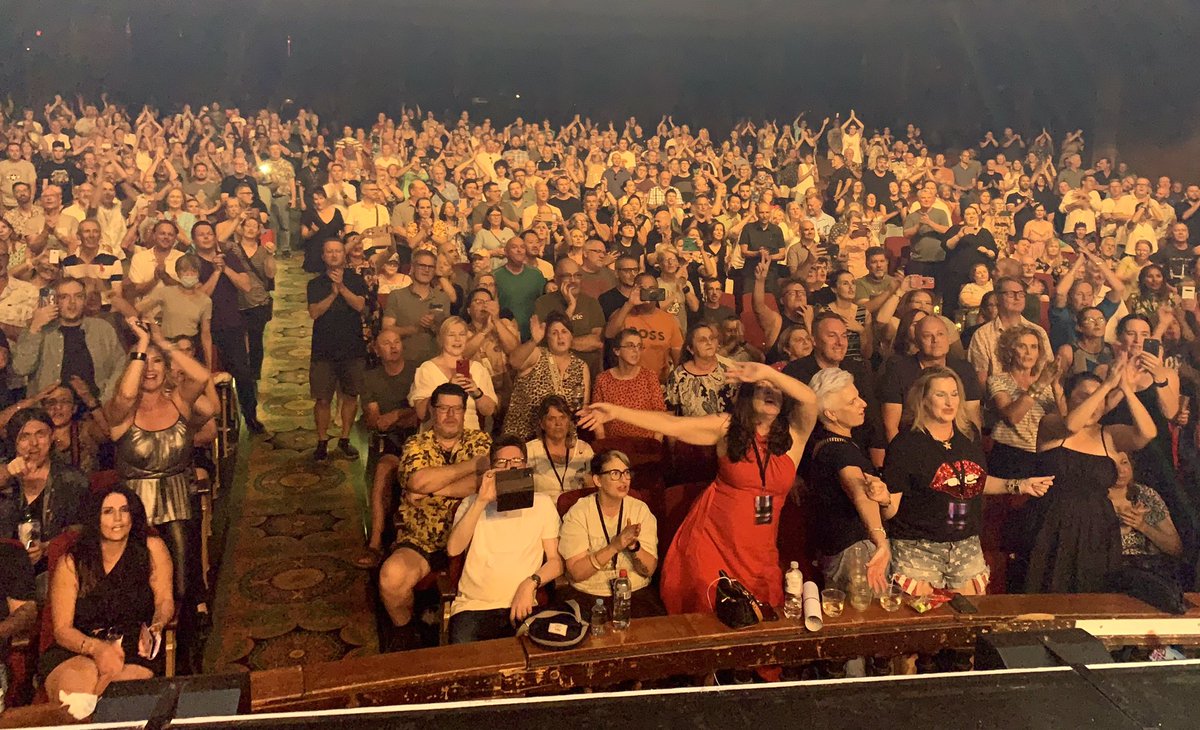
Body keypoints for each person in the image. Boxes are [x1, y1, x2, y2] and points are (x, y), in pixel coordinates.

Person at [577, 361, 818, 614]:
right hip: (714, 543)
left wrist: (767, 374)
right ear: (749, 396)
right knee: (712, 616)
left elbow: (810, 400)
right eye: (762, 389)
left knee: (761, 619)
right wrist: (616, 412)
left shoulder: (794, 436)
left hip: (761, 552)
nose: (771, 394)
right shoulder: (727, 427)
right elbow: (673, 426)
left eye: (777, 390)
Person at [881, 367, 1053, 597]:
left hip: (966, 547)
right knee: (923, 623)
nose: (949, 401)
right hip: (919, 550)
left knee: (970, 620)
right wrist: (880, 497)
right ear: (922, 399)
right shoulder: (906, 444)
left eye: (954, 394)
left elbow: (975, 481)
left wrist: (1019, 485)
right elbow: (890, 509)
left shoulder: (968, 434)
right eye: (940, 395)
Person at [106, 319, 213, 651]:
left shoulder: (180, 402)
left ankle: (185, 652)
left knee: (182, 585)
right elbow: (125, 393)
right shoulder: (121, 411)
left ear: (166, 369)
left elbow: (200, 376)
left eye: (156, 363)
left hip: (180, 501)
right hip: (135, 508)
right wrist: (141, 346)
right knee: (141, 586)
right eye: (142, 362)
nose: (149, 368)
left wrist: (163, 344)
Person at [378, 383, 491, 650]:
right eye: (443, 408)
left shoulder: (481, 441)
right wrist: (473, 466)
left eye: (457, 409)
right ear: (433, 410)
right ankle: (407, 633)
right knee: (390, 577)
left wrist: (431, 491)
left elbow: (485, 484)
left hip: (474, 539)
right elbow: (417, 480)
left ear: (465, 412)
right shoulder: (416, 443)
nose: (450, 415)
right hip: (423, 539)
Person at [1026, 365, 1156, 592]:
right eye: (1085, 396)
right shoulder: (1051, 423)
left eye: (1100, 398)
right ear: (1067, 399)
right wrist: (1106, 385)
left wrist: (1126, 388)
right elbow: (1072, 424)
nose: (1095, 402)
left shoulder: (1108, 434)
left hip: (1098, 526)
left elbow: (1147, 433)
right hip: (1053, 522)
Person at [40, 486, 174, 705]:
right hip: (79, 646)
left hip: (133, 646)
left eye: (124, 510)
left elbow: (164, 600)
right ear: (95, 518)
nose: (118, 519)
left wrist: (156, 627)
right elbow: (62, 629)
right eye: (108, 511)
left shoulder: (153, 548)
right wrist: (97, 649)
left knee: (116, 702)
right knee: (80, 702)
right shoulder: (72, 562)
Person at [445, 436, 561, 644]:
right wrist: (481, 500)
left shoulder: (542, 504)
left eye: (517, 461)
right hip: (474, 607)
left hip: (523, 604)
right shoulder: (471, 503)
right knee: (467, 667)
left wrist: (529, 584)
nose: (510, 467)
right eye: (502, 463)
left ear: (525, 465)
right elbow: (454, 549)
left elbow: (555, 562)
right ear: (492, 468)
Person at [804, 368, 892, 594]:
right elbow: (859, 492)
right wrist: (879, 539)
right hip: (855, 554)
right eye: (853, 402)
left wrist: (884, 499)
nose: (863, 403)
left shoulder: (825, 442)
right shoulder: (839, 451)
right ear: (831, 414)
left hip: (841, 551)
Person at [559, 449, 664, 617]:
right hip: (589, 593)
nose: (624, 480)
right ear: (597, 480)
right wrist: (615, 546)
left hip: (634, 591)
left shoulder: (640, 510)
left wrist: (633, 546)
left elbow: (649, 570)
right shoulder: (579, 512)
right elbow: (577, 573)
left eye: (626, 473)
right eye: (615, 473)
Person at [356, 328, 420, 569]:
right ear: (376, 349)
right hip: (391, 441)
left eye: (396, 342)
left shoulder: (417, 371)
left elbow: (420, 414)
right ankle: (375, 543)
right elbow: (375, 420)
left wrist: (396, 414)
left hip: (419, 436)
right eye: (386, 343)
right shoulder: (370, 378)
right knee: (382, 471)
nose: (393, 347)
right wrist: (400, 417)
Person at [0, 408, 88, 577]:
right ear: (14, 441)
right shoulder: (6, 474)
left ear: (52, 436)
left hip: (52, 568)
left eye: (40, 434)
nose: (33, 444)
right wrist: (8, 473)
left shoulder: (72, 478)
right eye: (24, 436)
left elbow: (80, 530)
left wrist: (47, 547)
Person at [307, 238, 369, 461]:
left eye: (338, 252)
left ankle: (344, 438)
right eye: (329, 252)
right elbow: (314, 312)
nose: (334, 255)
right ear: (323, 256)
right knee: (322, 398)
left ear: (344, 255)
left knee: (351, 395)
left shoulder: (356, 279)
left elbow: (360, 305)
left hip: (352, 347)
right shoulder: (315, 284)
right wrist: (332, 293)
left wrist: (341, 287)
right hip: (323, 349)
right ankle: (322, 440)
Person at [14, 277, 125, 401]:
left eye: (78, 296)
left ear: (84, 300)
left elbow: (120, 367)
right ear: (55, 300)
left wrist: (106, 398)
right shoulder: (39, 329)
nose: (72, 303)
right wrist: (35, 328)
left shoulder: (102, 329)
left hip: (94, 410)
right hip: (48, 411)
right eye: (64, 297)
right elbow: (21, 368)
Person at [879, 315, 982, 443]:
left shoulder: (964, 369)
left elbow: (972, 417)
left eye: (940, 334)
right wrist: (900, 454)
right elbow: (891, 425)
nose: (935, 340)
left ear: (948, 338)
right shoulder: (898, 369)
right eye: (928, 336)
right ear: (916, 341)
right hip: (913, 443)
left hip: (957, 442)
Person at [987, 325, 1066, 478]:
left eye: (1034, 347)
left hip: (1041, 455)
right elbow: (1013, 417)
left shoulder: (1047, 383)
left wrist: (1056, 386)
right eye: (1022, 346)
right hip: (1009, 456)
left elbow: (1065, 422)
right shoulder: (998, 380)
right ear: (1010, 351)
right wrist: (1040, 384)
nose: (1029, 352)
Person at [505, 312, 590, 441]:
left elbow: (583, 407)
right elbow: (514, 362)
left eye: (564, 332)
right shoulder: (537, 354)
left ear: (571, 335)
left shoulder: (581, 366)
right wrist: (534, 341)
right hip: (524, 437)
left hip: (561, 440)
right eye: (554, 333)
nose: (560, 337)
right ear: (546, 337)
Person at [409, 317, 498, 432]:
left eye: (462, 334)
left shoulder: (478, 369)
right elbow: (421, 413)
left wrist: (476, 392)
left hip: (470, 437)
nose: (457, 339)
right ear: (441, 339)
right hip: (435, 436)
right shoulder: (427, 369)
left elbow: (489, 410)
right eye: (451, 335)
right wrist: (447, 388)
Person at [967, 276, 1052, 386]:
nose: (1017, 298)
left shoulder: (1038, 332)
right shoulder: (982, 335)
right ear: (997, 298)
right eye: (1011, 294)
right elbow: (980, 382)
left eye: (1021, 294)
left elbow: (1047, 371)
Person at [381, 247, 453, 372]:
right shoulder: (397, 296)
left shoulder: (442, 298)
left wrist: (433, 326)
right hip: (405, 364)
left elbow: (448, 332)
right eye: (422, 265)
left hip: (435, 365)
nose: (426, 270)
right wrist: (414, 329)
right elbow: (387, 328)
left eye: (430, 267)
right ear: (413, 268)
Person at [135, 255, 213, 366]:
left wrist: (209, 365)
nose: (189, 275)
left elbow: (206, 334)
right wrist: (153, 322)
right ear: (178, 273)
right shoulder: (165, 292)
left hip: (191, 348)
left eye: (193, 272)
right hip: (168, 346)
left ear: (199, 274)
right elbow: (139, 308)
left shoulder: (205, 301)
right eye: (185, 272)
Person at [589, 329, 665, 441]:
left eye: (639, 346)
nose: (636, 351)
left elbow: (660, 415)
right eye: (630, 346)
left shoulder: (649, 376)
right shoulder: (603, 379)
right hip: (614, 445)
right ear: (617, 351)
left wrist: (656, 444)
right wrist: (603, 445)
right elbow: (597, 416)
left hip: (645, 445)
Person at [1107, 451, 1182, 561]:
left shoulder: (1145, 495)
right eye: (1112, 465)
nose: (1121, 471)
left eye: (1124, 463)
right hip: (1110, 569)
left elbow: (1176, 548)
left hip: (1147, 568)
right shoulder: (1092, 500)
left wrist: (1143, 526)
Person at [664, 323, 737, 417]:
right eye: (702, 340)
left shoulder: (728, 372)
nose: (709, 342)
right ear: (690, 349)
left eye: (711, 338)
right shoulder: (678, 375)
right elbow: (670, 413)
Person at [525, 395, 593, 495]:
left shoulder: (584, 450)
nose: (558, 423)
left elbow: (592, 490)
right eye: (552, 419)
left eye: (563, 417)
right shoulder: (530, 451)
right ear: (542, 424)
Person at [494, 236, 547, 340]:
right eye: (514, 247)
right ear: (506, 252)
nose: (519, 250)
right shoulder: (495, 276)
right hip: (506, 336)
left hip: (533, 336)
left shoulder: (536, 275)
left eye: (522, 247)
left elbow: (544, 303)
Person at [299, 188, 345, 274]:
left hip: (332, 254)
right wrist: (312, 232)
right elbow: (304, 235)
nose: (319, 202)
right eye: (316, 199)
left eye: (321, 198)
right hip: (315, 253)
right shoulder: (309, 213)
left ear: (326, 198)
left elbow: (342, 231)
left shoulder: (337, 212)